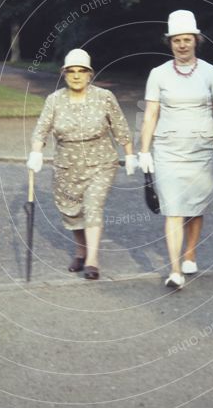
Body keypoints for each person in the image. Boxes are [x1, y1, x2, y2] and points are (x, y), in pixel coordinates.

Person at [138, 10, 213, 289]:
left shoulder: (212, 73)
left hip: (202, 147)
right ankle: (175, 270)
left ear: (196, 40)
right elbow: (150, 114)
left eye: (187, 39)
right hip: (168, 148)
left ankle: (190, 252)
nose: (182, 44)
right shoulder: (158, 74)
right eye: (176, 40)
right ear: (169, 42)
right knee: (173, 208)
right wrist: (144, 150)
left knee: (195, 204)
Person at [27, 48, 136, 280]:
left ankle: (92, 260)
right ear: (64, 74)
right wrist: (36, 153)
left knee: (92, 206)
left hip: (101, 163)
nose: (76, 75)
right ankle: (80, 252)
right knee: (72, 211)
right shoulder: (54, 100)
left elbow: (120, 125)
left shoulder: (104, 97)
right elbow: (41, 130)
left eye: (81, 71)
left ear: (90, 74)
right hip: (67, 166)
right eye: (71, 71)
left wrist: (130, 153)